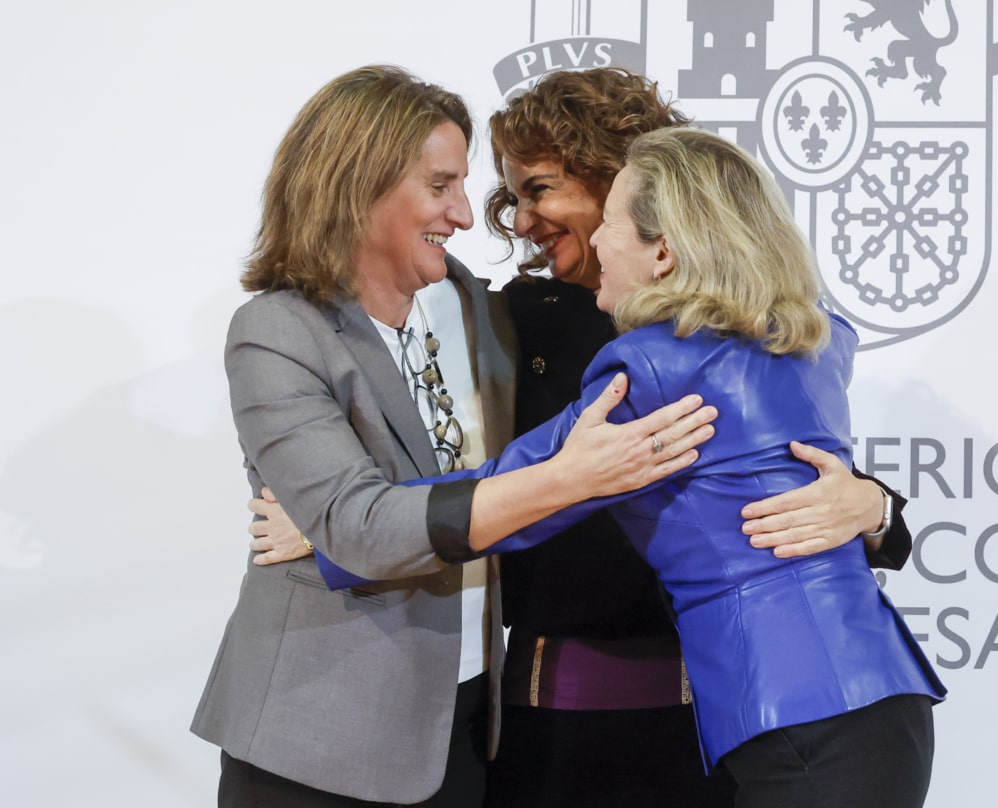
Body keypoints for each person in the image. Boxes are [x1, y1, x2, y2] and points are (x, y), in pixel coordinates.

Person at [191, 65, 718, 807]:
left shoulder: (473, 308)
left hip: (467, 735)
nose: (469, 215)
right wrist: (338, 525)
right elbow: (364, 525)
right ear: (356, 184)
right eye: (442, 187)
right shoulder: (278, 331)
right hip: (317, 744)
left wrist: (868, 510)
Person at [426, 126, 946, 808]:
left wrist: (343, 526)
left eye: (613, 221)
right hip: (874, 701)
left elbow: (509, 494)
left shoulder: (649, 368)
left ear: (664, 251)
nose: (603, 240)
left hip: (799, 720)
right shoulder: (815, 339)